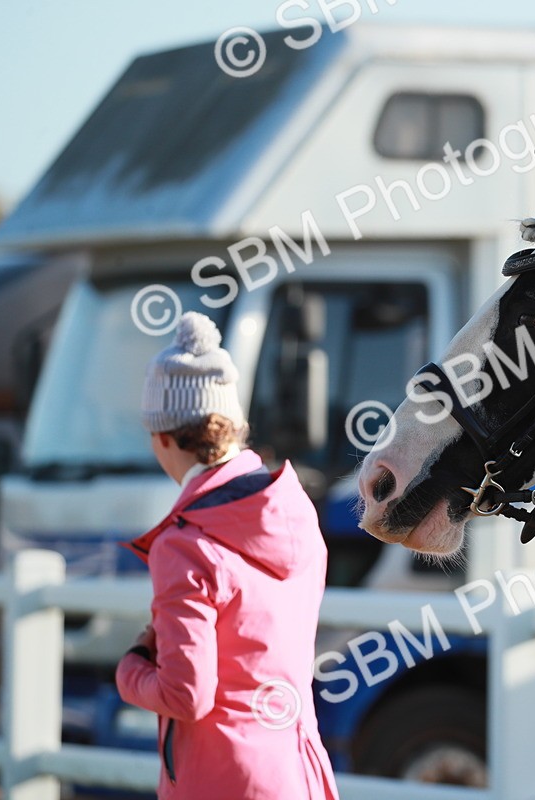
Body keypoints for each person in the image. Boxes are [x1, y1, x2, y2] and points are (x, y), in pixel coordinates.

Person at [116, 311, 338, 799]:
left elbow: (186, 695)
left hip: (219, 779)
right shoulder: (297, 512)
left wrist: (131, 670)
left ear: (164, 438)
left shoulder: (184, 545)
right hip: (298, 769)